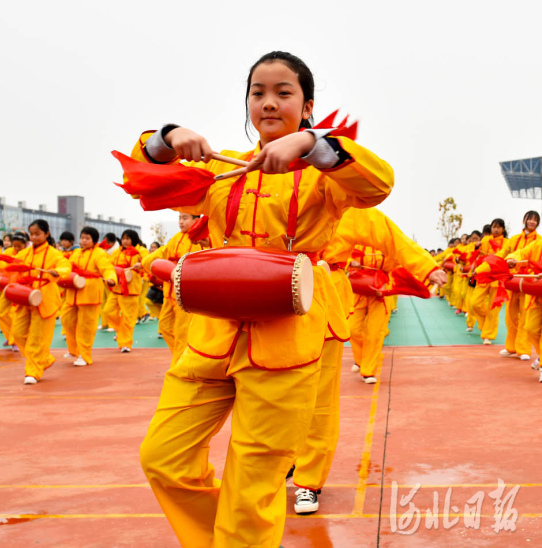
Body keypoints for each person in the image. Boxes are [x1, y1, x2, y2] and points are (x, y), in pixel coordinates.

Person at [126, 51, 393, 546]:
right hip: (212, 338)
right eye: (258, 93)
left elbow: (379, 182)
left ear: (307, 104)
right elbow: (145, 181)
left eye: (283, 93)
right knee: (161, 457)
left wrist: (311, 144)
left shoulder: (324, 175)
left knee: (254, 484)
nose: (269, 103)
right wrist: (166, 138)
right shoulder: (219, 171)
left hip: (287, 342)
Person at [289, 207, 444, 514]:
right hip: (276, 293)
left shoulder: (345, 207)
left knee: (320, 396)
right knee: (277, 392)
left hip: (326, 292)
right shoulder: (271, 184)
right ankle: (283, 460)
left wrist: (425, 267)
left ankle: (308, 482)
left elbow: (389, 237)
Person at [141, 213, 211, 365]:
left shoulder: (202, 239)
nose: (181, 222)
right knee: (164, 327)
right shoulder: (176, 238)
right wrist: (144, 264)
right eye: (179, 218)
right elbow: (161, 253)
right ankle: (183, 360)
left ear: (195, 220)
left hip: (187, 293)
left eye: (185, 218)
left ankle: (180, 365)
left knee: (182, 332)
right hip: (168, 292)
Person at [11, 220, 71, 384]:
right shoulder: (23, 254)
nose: (34, 237)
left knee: (38, 338)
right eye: (32, 234)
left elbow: (65, 266)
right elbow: (11, 268)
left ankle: (33, 372)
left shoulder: (54, 254)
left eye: (38, 234)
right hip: (25, 297)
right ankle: (43, 360)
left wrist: (57, 272)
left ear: (46, 234)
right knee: (17, 333)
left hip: (45, 299)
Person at [60, 227, 116, 366]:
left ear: (94, 240)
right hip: (73, 292)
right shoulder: (76, 252)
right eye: (82, 238)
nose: (83, 241)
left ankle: (84, 356)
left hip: (89, 294)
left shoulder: (99, 254)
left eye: (87, 238)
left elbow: (107, 268)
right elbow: (67, 267)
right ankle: (73, 350)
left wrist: (110, 278)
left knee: (86, 327)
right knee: (67, 320)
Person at [499, 211, 538, 360]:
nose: (532, 222)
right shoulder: (514, 239)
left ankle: (523, 350)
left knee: (525, 314)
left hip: (529, 282)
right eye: (530, 219)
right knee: (510, 314)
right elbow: (506, 253)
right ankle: (511, 347)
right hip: (513, 279)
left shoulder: (539, 241)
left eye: (535, 220)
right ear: (524, 220)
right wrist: (499, 261)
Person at [102, 229, 148, 353]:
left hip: (131, 290)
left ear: (134, 239)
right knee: (108, 311)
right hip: (116, 288)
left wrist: (142, 264)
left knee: (128, 318)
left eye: (128, 238)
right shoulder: (118, 251)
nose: (125, 241)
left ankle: (125, 343)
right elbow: (108, 264)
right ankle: (121, 333)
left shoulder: (141, 251)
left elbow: (149, 262)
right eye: (123, 238)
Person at [468, 219, 510, 344]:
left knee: (494, 308)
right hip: (484, 276)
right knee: (474, 303)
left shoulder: (508, 242)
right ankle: (485, 323)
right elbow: (475, 254)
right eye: (493, 227)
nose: (496, 229)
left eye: (498, 227)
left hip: (498, 279)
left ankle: (488, 335)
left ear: (503, 229)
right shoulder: (485, 240)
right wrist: (475, 248)